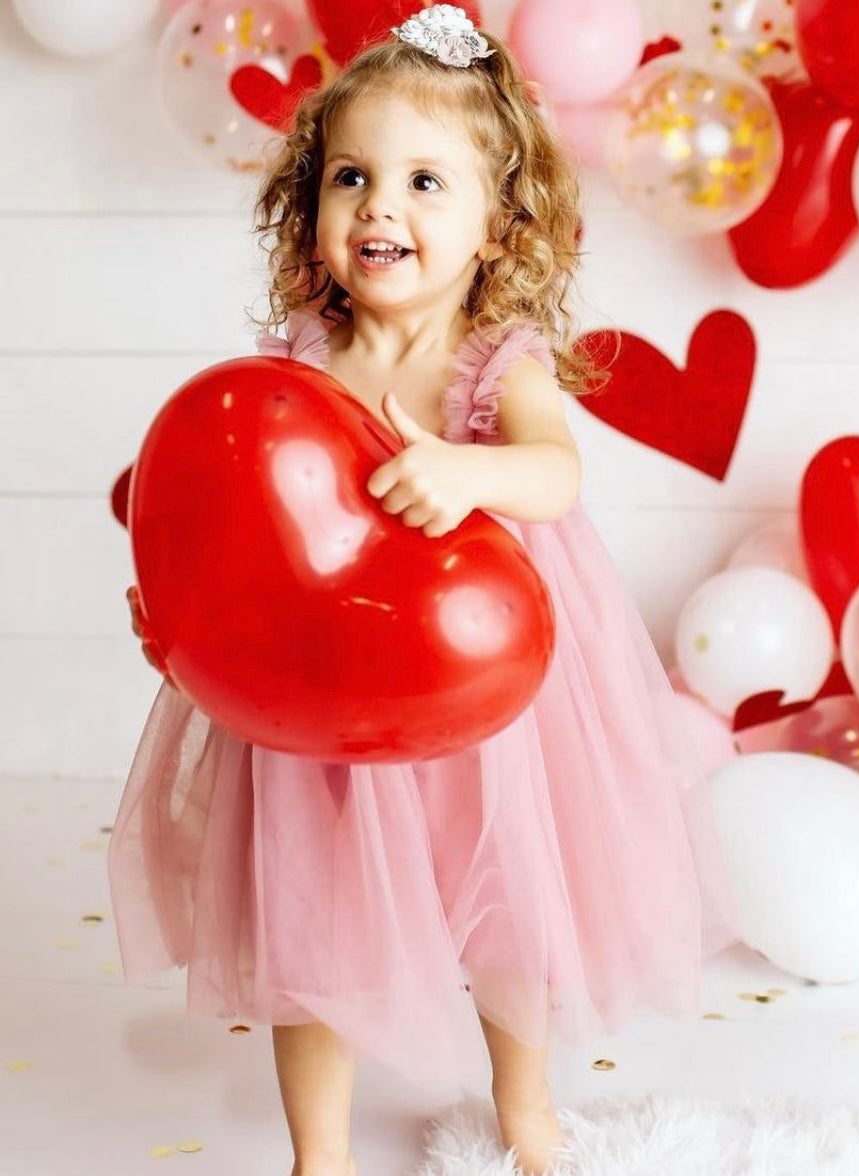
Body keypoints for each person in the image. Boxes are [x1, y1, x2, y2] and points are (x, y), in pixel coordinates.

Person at [109, 7, 728, 1176]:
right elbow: (225, 502)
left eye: (426, 181)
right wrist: (180, 614)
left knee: (510, 896)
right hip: (318, 692)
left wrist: (464, 466)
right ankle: (319, 1154)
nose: (380, 207)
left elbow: (555, 473)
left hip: (493, 681)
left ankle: (527, 1108)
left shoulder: (499, 363)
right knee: (313, 916)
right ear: (314, 205)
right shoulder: (301, 357)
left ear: (498, 225)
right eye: (352, 176)